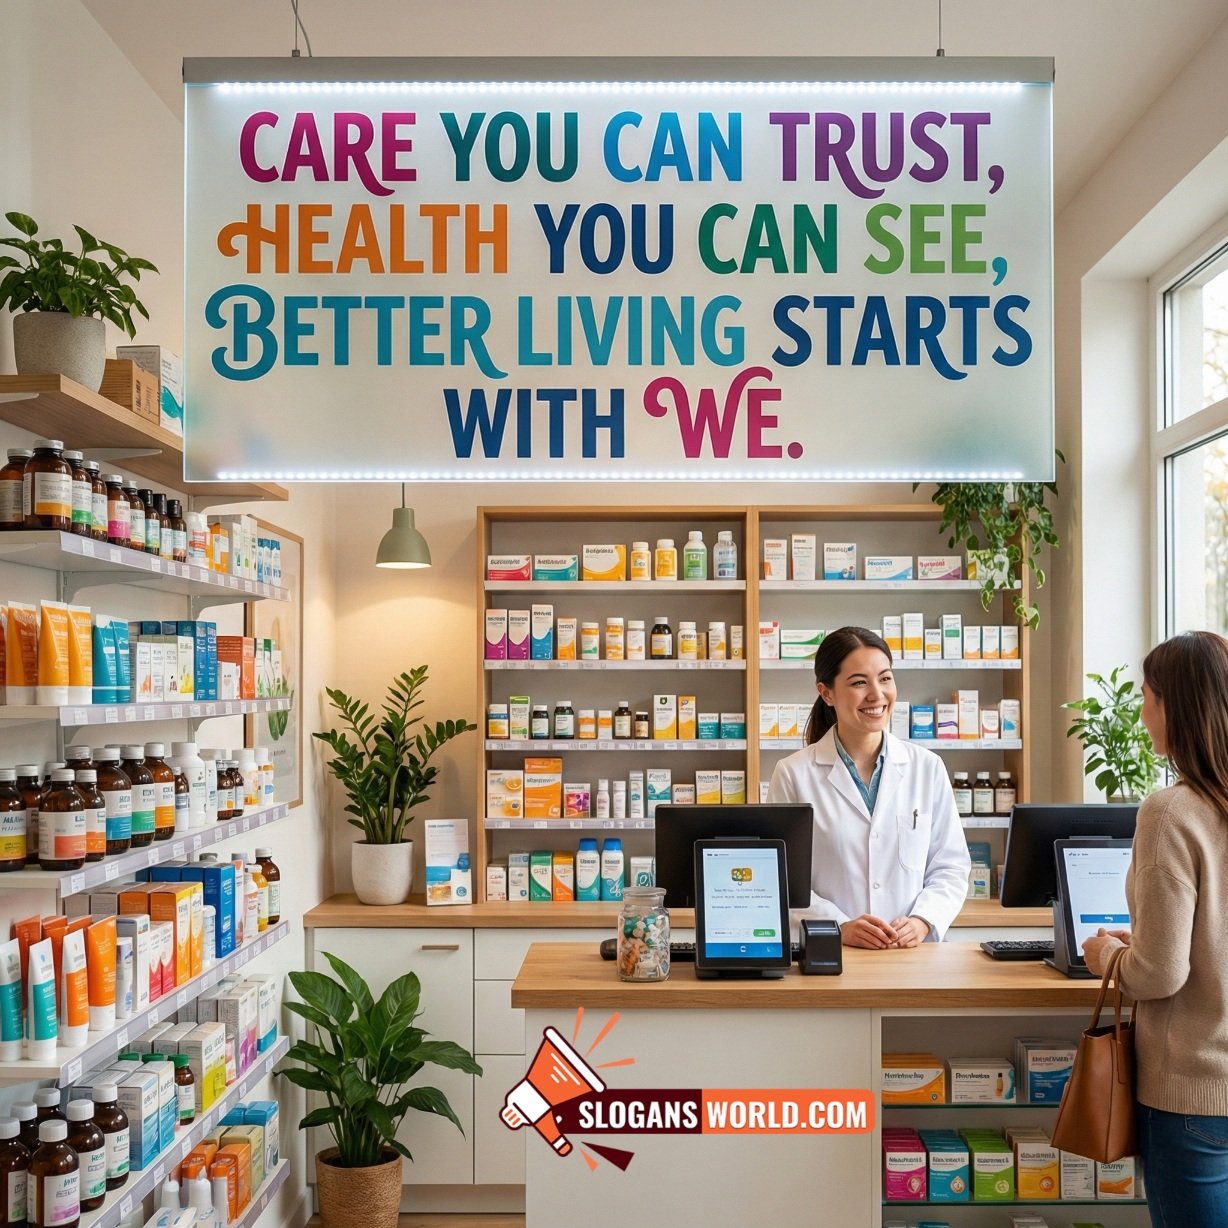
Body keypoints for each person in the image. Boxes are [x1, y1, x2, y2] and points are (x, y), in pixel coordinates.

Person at [1082, 631, 1228, 1226]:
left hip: (1192, 1095)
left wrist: (1107, 956)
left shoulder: (1171, 812)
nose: (1142, 715)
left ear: (1173, 706)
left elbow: (1159, 974)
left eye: (1147, 698)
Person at [767, 625, 971, 947]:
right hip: (832, 951)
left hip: (911, 956)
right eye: (859, 682)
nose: (876, 694)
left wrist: (921, 921)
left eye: (885, 678)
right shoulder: (793, 774)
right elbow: (781, 879)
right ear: (826, 692)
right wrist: (840, 926)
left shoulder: (927, 767)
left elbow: (951, 865)